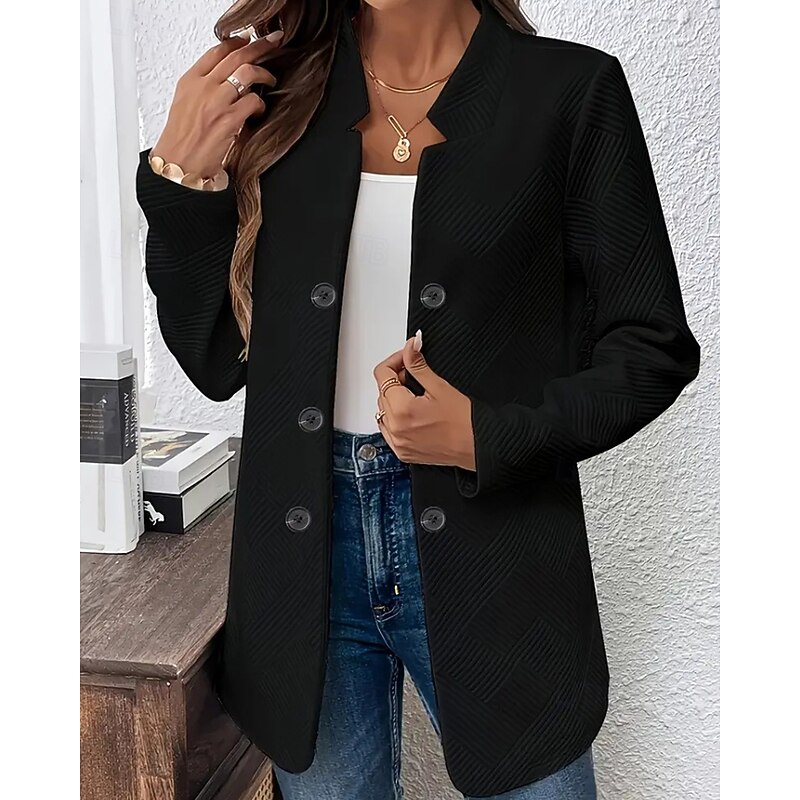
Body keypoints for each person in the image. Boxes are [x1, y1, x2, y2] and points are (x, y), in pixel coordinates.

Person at [135, 0, 701, 798]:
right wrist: (180, 181)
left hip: (497, 553)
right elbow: (218, 361)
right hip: (303, 562)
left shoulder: (570, 93)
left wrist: (486, 434)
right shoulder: (281, 93)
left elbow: (652, 346)